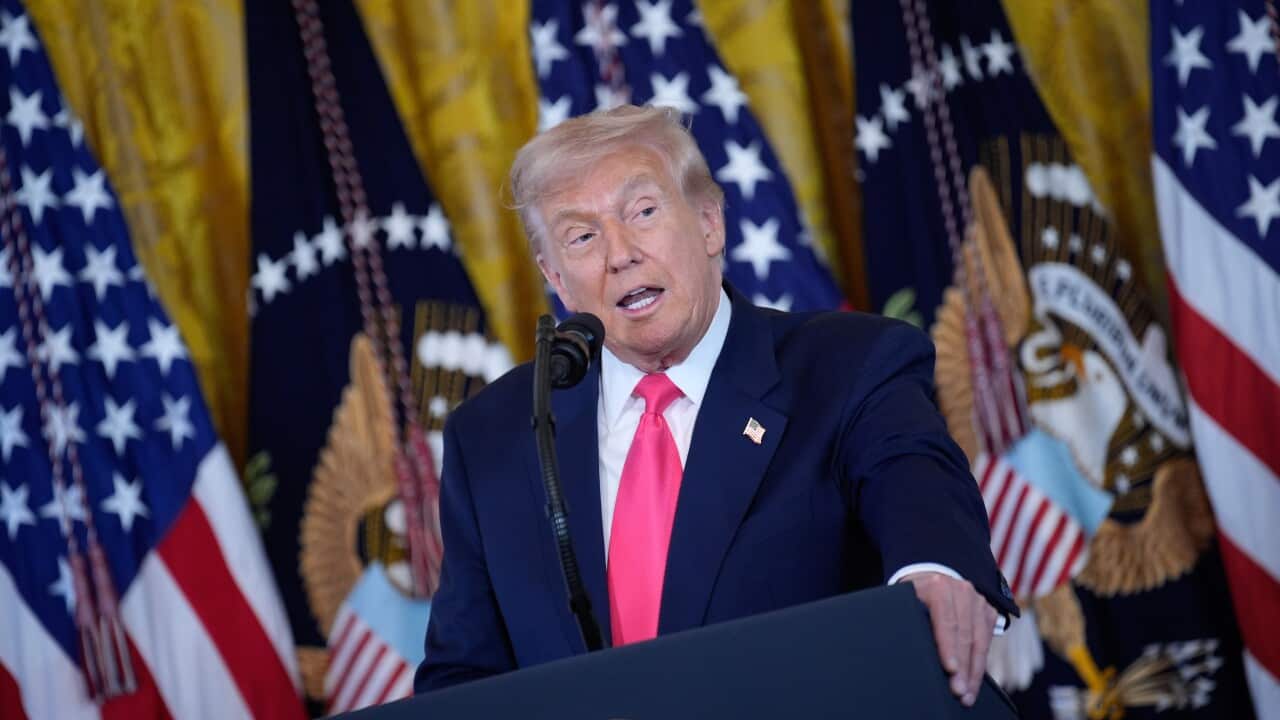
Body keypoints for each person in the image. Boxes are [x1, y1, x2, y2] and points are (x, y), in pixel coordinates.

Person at [415, 104, 1017, 706]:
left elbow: (917, 485)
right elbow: (462, 681)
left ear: (709, 223)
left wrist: (936, 573)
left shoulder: (848, 366)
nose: (619, 254)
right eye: (582, 236)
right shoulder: (494, 437)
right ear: (556, 278)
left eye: (643, 212)